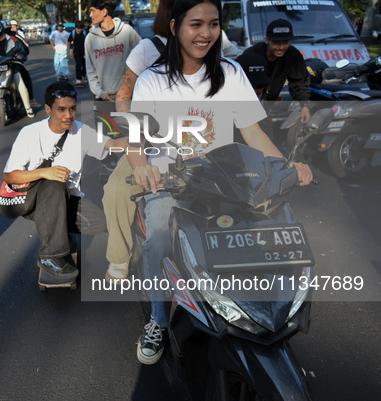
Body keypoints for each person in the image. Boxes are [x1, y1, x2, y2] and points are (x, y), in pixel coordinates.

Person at [124, 0, 313, 364]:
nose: (205, 34)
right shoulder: (152, 79)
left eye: (213, 25)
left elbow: (253, 134)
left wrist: (286, 167)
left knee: (270, 226)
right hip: (170, 179)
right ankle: (159, 322)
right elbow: (136, 142)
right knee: (160, 238)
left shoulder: (231, 73)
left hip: (226, 177)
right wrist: (141, 166)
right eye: (196, 24)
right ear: (176, 26)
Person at [2, 81, 126, 279]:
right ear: (48, 109)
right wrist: (44, 173)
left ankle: (57, 232)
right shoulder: (30, 134)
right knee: (55, 183)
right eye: (61, 109)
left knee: (98, 223)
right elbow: (9, 176)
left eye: (72, 109)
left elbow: (111, 145)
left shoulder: (81, 131)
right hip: (35, 201)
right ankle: (50, 256)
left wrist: (134, 142)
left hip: (67, 200)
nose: (68, 115)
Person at [101, 0, 172, 283]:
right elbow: (123, 95)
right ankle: (119, 258)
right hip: (150, 139)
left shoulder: (213, 46)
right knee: (117, 189)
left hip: (198, 140)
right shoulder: (149, 49)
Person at [242, 19, 311, 124]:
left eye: (286, 42)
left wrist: (305, 106)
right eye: (276, 42)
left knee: (267, 131)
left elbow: (299, 83)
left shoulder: (293, 55)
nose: (281, 47)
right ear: (266, 40)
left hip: (266, 109)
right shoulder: (251, 55)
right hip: (245, 108)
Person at [85, 0, 141, 101]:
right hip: (103, 98)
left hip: (126, 98)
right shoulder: (90, 38)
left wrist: (131, 87)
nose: (90, 15)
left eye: (93, 11)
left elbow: (143, 56)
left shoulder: (127, 32)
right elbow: (90, 70)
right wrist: (100, 93)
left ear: (104, 12)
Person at [0, 20, 34, 123]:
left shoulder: (13, 40)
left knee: (21, 85)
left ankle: (28, 108)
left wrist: (20, 57)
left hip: (12, 68)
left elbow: (23, 53)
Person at [7, 18, 40, 108]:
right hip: (1, 66)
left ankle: (29, 102)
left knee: (25, 78)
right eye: (10, 27)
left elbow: (25, 48)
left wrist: (20, 56)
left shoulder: (18, 36)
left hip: (14, 63)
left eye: (14, 26)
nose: (12, 28)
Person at [68, 20, 88, 86]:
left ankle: (83, 74)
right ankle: (78, 79)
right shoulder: (73, 33)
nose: (79, 30)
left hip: (84, 52)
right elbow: (68, 43)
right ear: (75, 28)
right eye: (77, 28)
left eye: (80, 28)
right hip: (76, 52)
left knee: (85, 65)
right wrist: (68, 53)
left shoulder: (85, 33)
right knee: (78, 64)